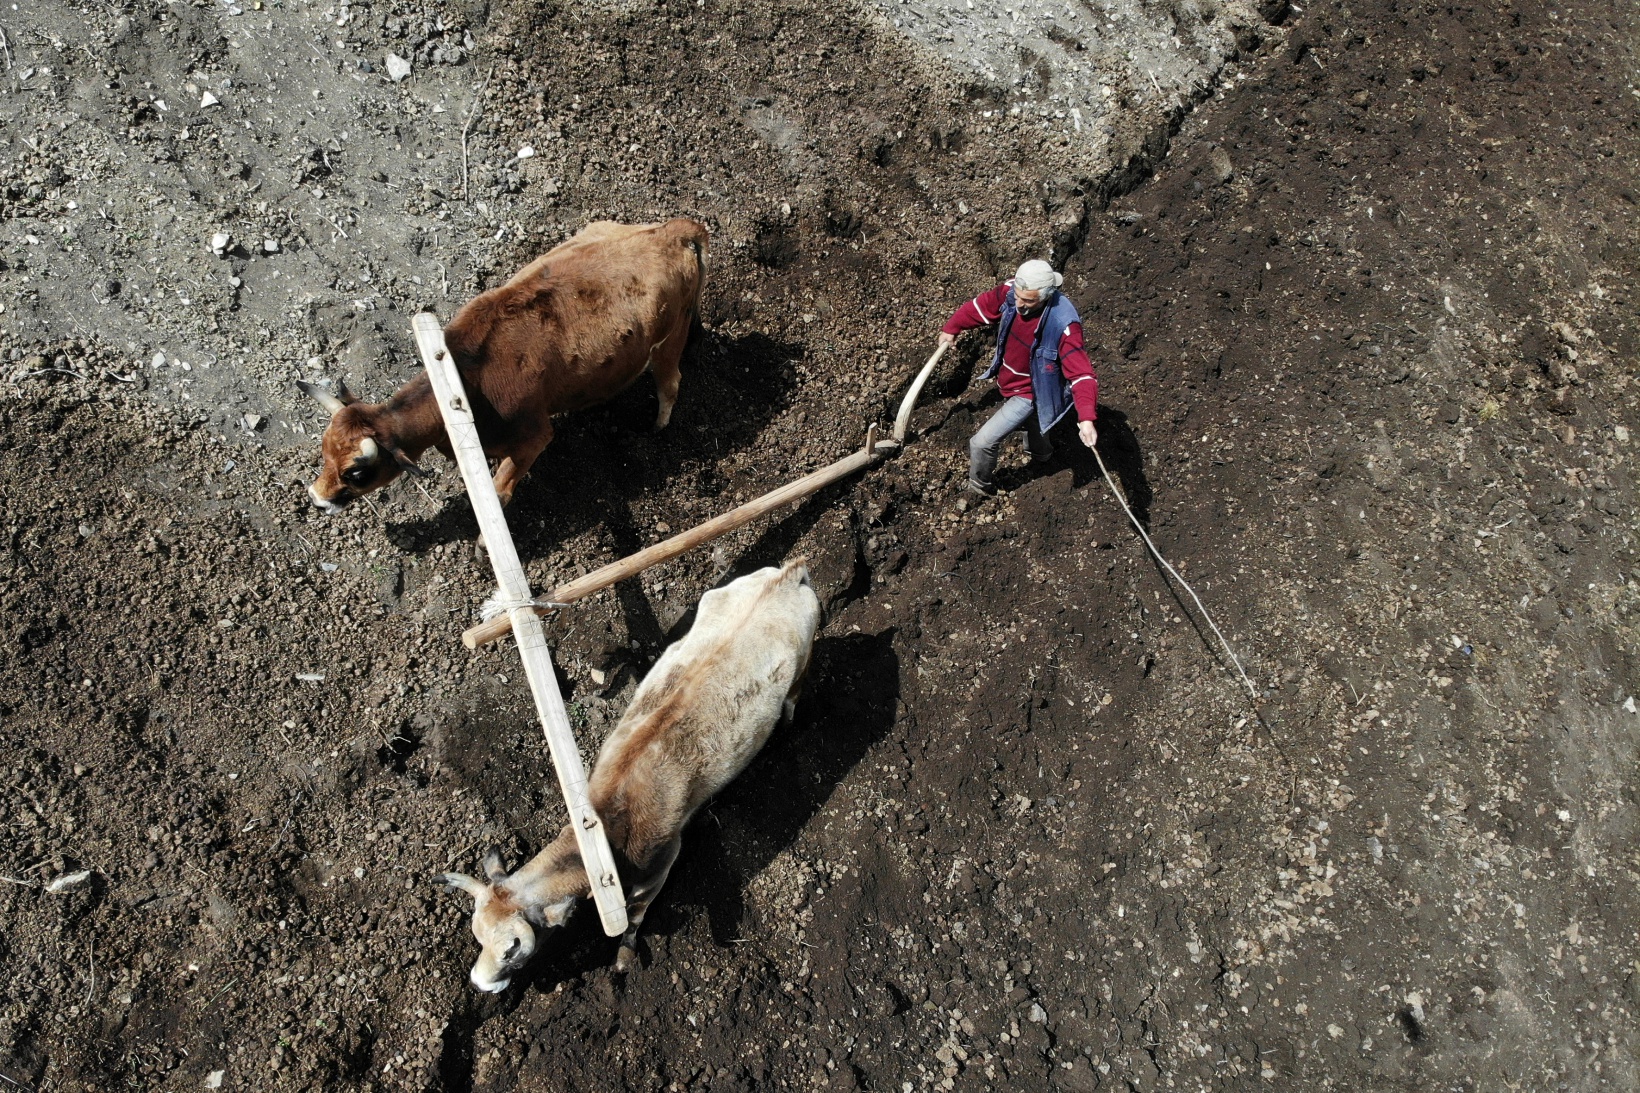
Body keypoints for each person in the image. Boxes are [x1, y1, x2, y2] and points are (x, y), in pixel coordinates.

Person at [937, 259, 1099, 497]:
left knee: (981, 443)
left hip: (1031, 391)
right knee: (1035, 421)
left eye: (1028, 301)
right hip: (1012, 379)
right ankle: (1042, 455)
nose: (1019, 304)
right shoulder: (1011, 292)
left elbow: (1082, 374)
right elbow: (981, 306)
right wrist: (952, 327)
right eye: (1017, 297)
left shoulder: (1064, 324)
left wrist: (1086, 418)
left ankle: (978, 488)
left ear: (1046, 296)